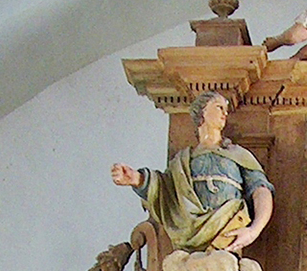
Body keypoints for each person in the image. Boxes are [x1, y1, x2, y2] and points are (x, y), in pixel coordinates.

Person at [112, 90, 273, 259]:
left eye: (226, 109)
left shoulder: (239, 155)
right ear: (202, 111)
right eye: (219, 107)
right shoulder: (181, 162)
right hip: (189, 235)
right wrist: (136, 178)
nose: (225, 113)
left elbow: (261, 190)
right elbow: (164, 191)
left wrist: (253, 230)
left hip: (227, 235)